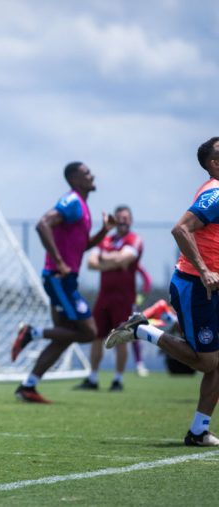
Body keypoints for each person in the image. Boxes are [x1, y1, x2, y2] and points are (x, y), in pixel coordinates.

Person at [106, 137, 219, 447]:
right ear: (214, 164)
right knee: (207, 363)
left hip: (211, 285)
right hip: (196, 286)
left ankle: (198, 431)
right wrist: (205, 270)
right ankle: (142, 330)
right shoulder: (215, 193)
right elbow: (180, 229)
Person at [10, 162, 115, 403]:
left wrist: (104, 231)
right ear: (74, 179)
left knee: (65, 336)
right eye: (86, 173)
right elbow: (42, 224)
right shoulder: (72, 201)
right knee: (88, 332)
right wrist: (58, 261)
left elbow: (82, 246)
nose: (92, 175)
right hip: (60, 278)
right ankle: (32, 333)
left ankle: (28, 386)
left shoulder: (82, 207)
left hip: (65, 278)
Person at [75, 205, 143, 392]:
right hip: (103, 297)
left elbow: (124, 259)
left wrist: (104, 258)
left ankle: (117, 380)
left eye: (125, 218)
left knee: (121, 338)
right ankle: (93, 378)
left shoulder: (134, 240)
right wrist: (113, 260)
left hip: (123, 298)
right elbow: (91, 263)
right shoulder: (105, 239)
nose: (122, 221)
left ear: (131, 220)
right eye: (119, 218)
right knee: (96, 336)